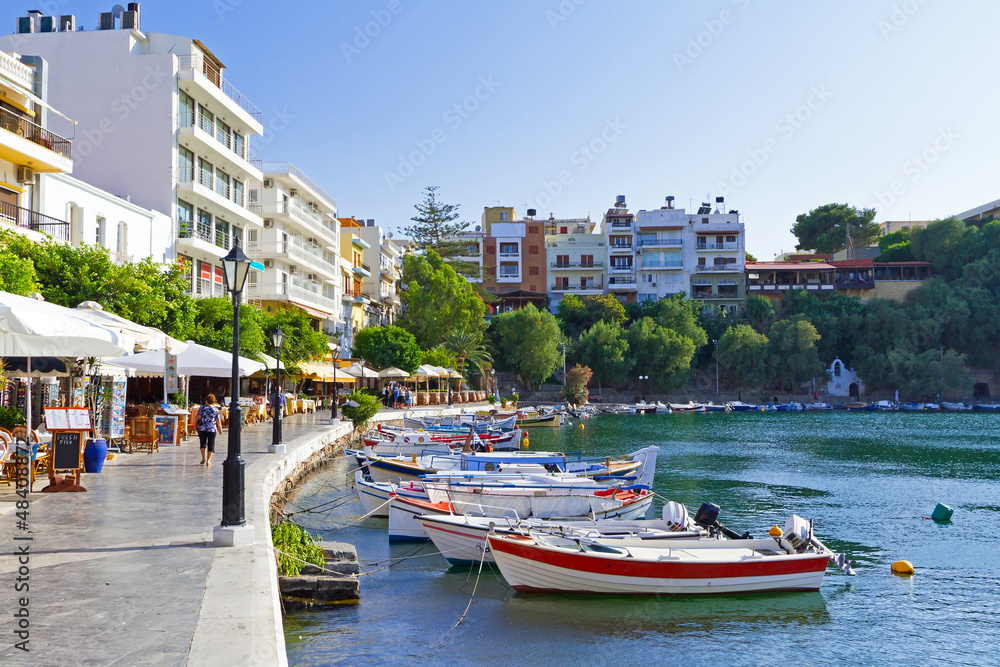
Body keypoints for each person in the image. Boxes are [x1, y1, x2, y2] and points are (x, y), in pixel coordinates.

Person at [196, 394, 223, 466]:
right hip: (212, 429)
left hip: (202, 428)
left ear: (206, 401)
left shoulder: (202, 408)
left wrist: (196, 425)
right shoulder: (216, 409)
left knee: (203, 443)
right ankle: (208, 461)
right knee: (211, 444)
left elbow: (197, 417)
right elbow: (218, 420)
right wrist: (220, 429)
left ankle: (203, 458)